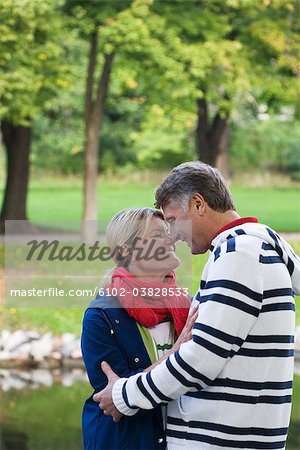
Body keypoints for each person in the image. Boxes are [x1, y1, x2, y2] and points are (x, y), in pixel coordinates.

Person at [94, 162, 300, 450]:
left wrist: (124, 396)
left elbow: (201, 361)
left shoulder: (236, 256)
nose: (174, 235)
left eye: (174, 220)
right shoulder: (258, 246)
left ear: (198, 204)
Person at [81, 207, 196, 450]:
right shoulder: (101, 317)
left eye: (168, 232)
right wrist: (177, 351)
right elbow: (116, 402)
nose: (171, 239)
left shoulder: (191, 307)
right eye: (157, 236)